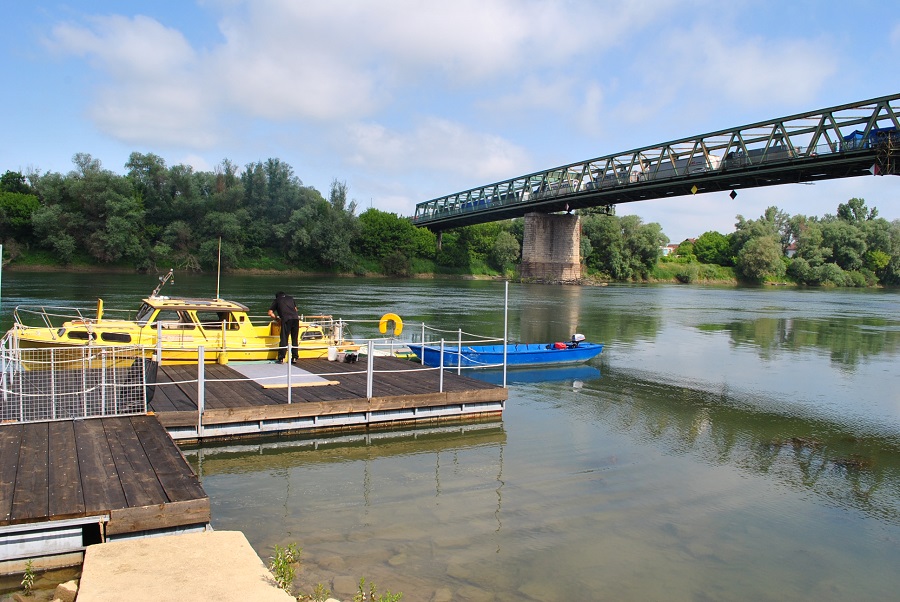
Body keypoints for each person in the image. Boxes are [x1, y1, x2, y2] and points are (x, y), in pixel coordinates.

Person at [268, 291, 300, 363]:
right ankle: (295, 357)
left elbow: (270, 313)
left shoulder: (277, 300)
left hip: (286, 320)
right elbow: (295, 309)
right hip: (295, 319)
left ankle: (281, 357)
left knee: (284, 338)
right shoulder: (291, 298)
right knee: (294, 339)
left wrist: (277, 319)